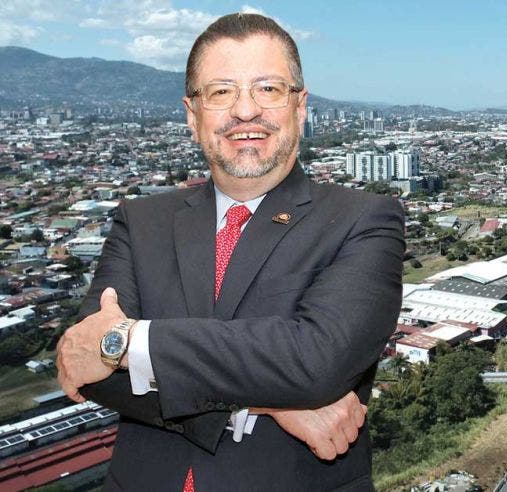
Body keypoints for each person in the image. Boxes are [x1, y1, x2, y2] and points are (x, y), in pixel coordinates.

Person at [55, 12, 404, 491]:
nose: (245, 111)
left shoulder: (364, 219)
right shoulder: (142, 220)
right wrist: (274, 403)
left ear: (300, 107)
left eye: (268, 89)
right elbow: (87, 366)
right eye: (220, 92)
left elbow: (316, 362)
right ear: (192, 115)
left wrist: (132, 344)